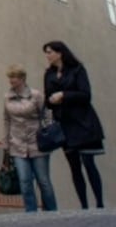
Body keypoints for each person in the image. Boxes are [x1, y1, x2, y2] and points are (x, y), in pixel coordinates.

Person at [42, 41, 106, 209]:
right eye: (46, 52)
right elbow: (48, 98)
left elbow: (86, 95)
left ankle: (99, 202)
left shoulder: (77, 70)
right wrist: (51, 100)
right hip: (64, 124)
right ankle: (83, 205)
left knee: (88, 162)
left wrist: (64, 95)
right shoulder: (49, 74)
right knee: (74, 166)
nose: (47, 55)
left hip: (82, 122)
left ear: (59, 53)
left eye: (49, 52)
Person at [3, 64, 58, 212]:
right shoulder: (7, 97)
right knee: (25, 181)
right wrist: (6, 142)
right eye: (10, 77)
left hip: (37, 142)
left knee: (43, 181)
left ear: (22, 78)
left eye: (14, 77)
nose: (11, 80)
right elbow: (7, 119)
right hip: (17, 143)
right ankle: (31, 214)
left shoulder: (36, 95)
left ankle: (52, 212)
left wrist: (49, 132)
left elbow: (47, 114)